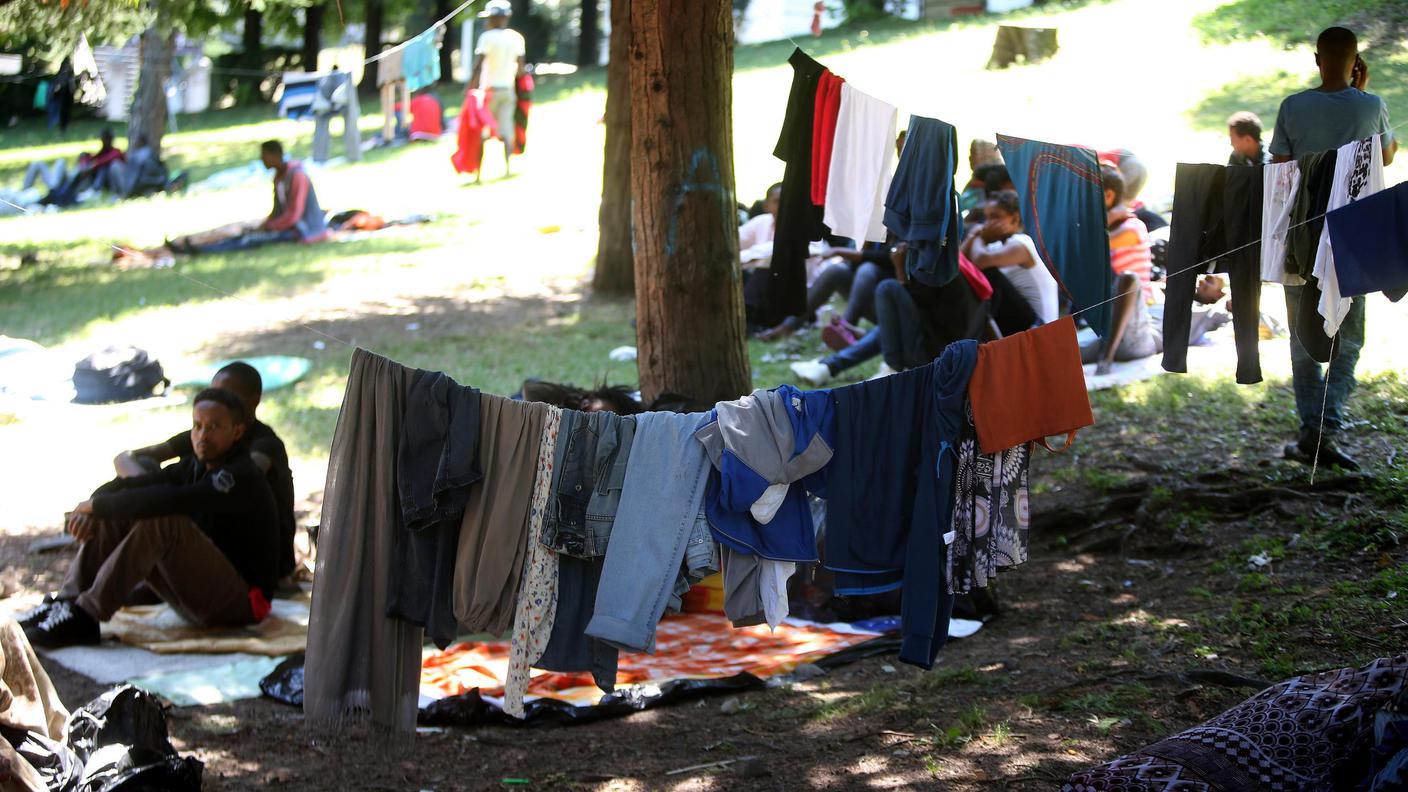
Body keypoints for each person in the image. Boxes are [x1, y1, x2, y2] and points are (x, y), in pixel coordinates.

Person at [23, 389, 280, 649]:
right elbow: (140, 485)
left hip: (244, 604)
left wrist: (98, 506)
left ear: (237, 432)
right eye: (197, 426)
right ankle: (66, 604)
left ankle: (86, 615)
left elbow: (171, 499)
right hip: (203, 595)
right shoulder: (195, 465)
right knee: (117, 513)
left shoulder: (239, 475)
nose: (203, 436)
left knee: (163, 521)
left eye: (214, 427)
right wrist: (91, 507)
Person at [1269, 26, 1396, 471]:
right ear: (1356, 60)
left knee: (1304, 341)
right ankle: (1327, 428)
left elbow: (1279, 167)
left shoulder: (1292, 107)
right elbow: (1386, 156)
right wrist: (1362, 93)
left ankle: (1311, 432)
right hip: (1353, 237)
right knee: (1349, 338)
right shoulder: (1373, 106)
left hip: (1300, 239)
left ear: (1317, 59)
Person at [114, 361, 298, 581]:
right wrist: (147, 493)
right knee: (142, 477)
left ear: (252, 402)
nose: (216, 402)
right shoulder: (204, 438)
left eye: (225, 396)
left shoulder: (265, 447)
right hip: (207, 543)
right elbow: (126, 458)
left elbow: (233, 486)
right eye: (212, 393)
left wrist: (155, 499)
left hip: (252, 564)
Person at [791, 241, 986, 385]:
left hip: (935, 360)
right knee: (882, 289)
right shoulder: (946, 260)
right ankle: (826, 367)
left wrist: (900, 269)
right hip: (936, 348)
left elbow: (917, 320)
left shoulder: (936, 271)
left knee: (888, 289)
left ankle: (892, 369)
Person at [175, 140, 329, 254]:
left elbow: (294, 215)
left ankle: (202, 251)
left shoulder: (298, 177)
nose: (262, 160)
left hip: (305, 231)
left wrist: (271, 227)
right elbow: (277, 211)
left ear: (275, 155)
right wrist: (265, 225)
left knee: (249, 241)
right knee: (245, 234)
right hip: (289, 227)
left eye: (264, 156)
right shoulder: (278, 177)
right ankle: (196, 247)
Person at [1081, 164, 1162, 375]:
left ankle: (1106, 357)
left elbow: (1089, 247)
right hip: (1106, 323)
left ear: (1108, 195)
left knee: (1127, 279)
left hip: (1136, 320)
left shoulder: (1132, 228)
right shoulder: (1108, 225)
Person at [961, 189, 1059, 334]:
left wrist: (978, 235)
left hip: (1040, 329)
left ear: (1014, 219)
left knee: (987, 274)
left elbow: (980, 261)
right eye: (986, 218)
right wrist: (972, 237)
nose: (988, 224)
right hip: (1019, 322)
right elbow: (959, 263)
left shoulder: (1022, 243)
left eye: (995, 217)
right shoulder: (993, 246)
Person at [469, 0, 526, 178]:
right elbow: (521, 69)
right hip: (508, 90)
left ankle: (478, 174)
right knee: (507, 130)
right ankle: (507, 169)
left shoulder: (486, 37)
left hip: (488, 92)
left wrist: (470, 88)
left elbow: (478, 65)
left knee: (483, 132)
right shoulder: (516, 37)